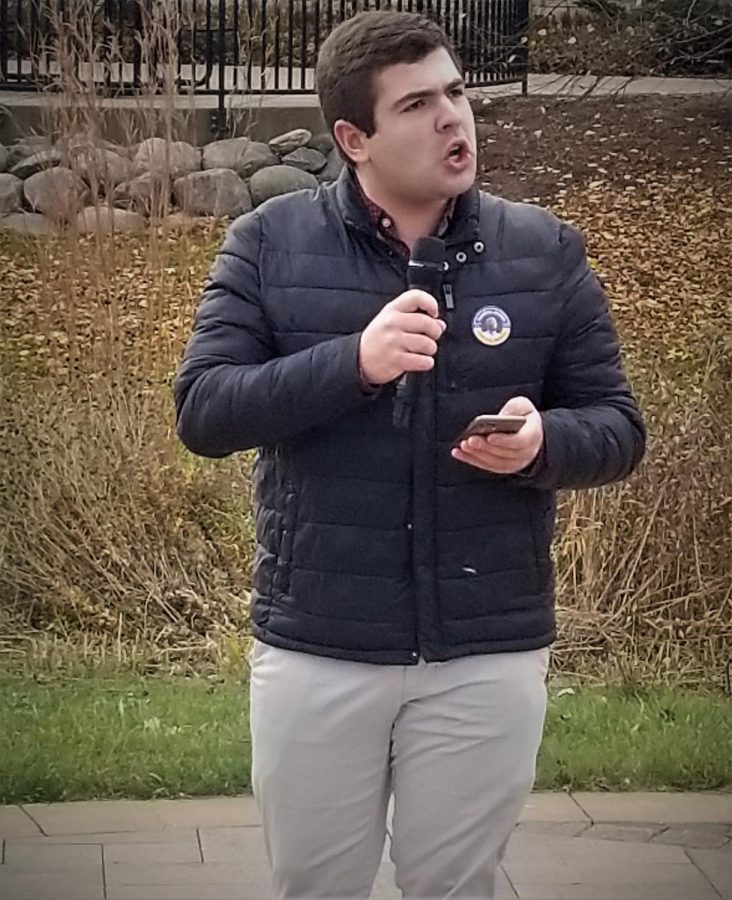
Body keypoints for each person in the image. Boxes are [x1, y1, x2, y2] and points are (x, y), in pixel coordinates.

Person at [174, 10, 645, 898]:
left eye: (457, 92)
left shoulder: (542, 252)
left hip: (486, 649)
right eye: (419, 104)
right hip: (321, 644)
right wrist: (353, 361)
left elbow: (617, 426)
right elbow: (203, 411)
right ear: (353, 137)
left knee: (457, 887)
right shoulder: (271, 243)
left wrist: (545, 443)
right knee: (316, 886)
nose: (453, 119)